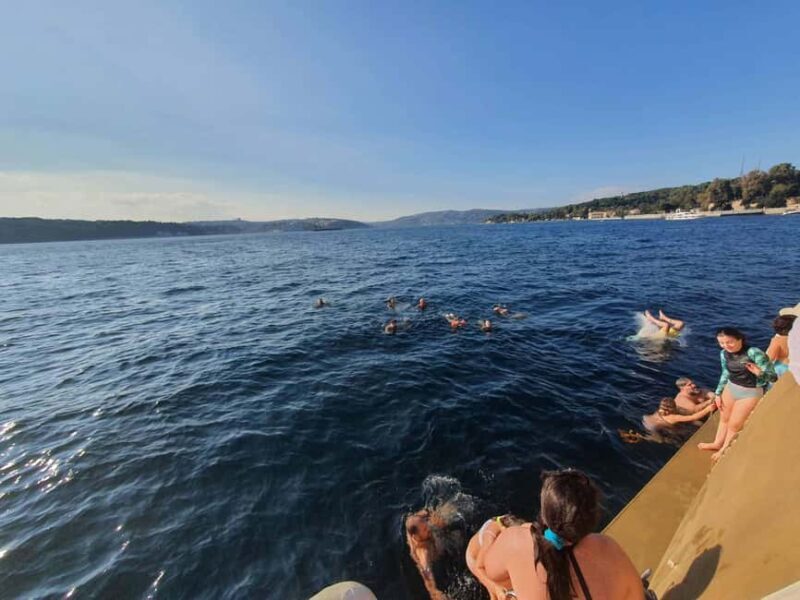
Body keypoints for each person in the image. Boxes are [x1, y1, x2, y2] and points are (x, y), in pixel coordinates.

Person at [467, 469, 644, 600]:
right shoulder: (607, 547)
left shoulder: (516, 542)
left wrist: (494, 527)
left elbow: (483, 568)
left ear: (545, 510)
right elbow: (638, 595)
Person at [698, 327, 777, 461]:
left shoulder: (754, 352)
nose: (726, 346)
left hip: (750, 392)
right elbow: (725, 373)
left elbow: (773, 378)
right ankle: (717, 443)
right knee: (724, 418)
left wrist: (759, 372)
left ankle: (724, 450)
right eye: (722, 343)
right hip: (731, 388)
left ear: (740, 339)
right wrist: (718, 393)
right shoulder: (724, 353)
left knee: (734, 425)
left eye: (730, 342)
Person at [405, 510, 447, 600]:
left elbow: (418, 515)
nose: (428, 528)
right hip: (436, 554)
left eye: (425, 525)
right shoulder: (423, 551)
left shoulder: (411, 523)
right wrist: (434, 591)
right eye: (424, 529)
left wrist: (428, 513)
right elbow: (426, 572)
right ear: (415, 537)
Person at [642, 397, 716, 433]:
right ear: (673, 408)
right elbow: (693, 417)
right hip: (655, 429)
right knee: (697, 424)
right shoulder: (674, 417)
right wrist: (708, 409)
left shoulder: (659, 411)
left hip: (646, 421)